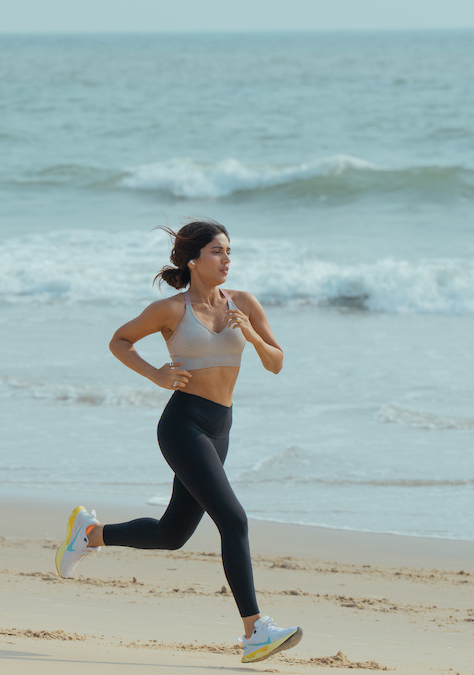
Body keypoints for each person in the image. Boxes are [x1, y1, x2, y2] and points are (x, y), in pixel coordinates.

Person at [54, 219, 302, 663]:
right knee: (234, 520)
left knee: (171, 534)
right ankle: (254, 631)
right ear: (193, 260)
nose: (226, 259)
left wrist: (249, 334)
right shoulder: (170, 310)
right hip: (183, 425)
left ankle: (90, 534)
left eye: (229, 251)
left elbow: (276, 362)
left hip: (220, 428)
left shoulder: (244, 303)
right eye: (217, 251)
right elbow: (120, 340)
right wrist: (156, 374)